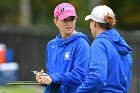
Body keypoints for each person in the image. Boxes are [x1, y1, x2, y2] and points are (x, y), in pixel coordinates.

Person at [36, 3, 90, 93]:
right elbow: (52, 75)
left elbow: (80, 75)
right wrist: (44, 78)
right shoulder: (51, 45)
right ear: (56, 21)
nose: (69, 23)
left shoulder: (81, 43)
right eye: (65, 20)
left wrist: (53, 78)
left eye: (72, 19)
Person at [76, 5, 133, 93]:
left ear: (94, 23)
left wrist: (79, 91)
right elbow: (127, 77)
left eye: (90, 22)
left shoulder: (99, 43)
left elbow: (97, 77)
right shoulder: (122, 44)